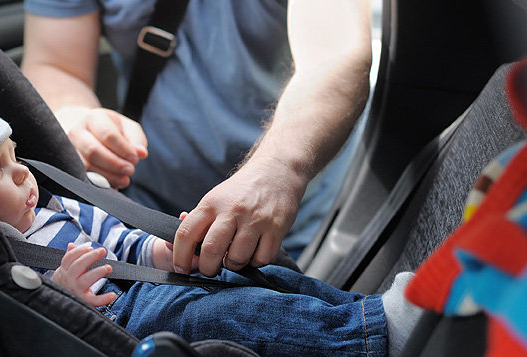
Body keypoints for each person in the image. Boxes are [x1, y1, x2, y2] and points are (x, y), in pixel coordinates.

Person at [0, 101, 422, 357]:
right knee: (221, 318)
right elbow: (38, 321)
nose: (23, 175)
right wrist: (68, 294)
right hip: (121, 318)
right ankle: (370, 342)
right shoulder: (1, 257)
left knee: (258, 278)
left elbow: (119, 239)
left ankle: (368, 313)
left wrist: (166, 251)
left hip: (151, 281)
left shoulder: (58, 208)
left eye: (15, 158)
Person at [20, 0, 373, 274]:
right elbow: (55, 63)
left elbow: (336, 54)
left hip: (299, 220)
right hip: (147, 216)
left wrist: (280, 167)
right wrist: (74, 116)